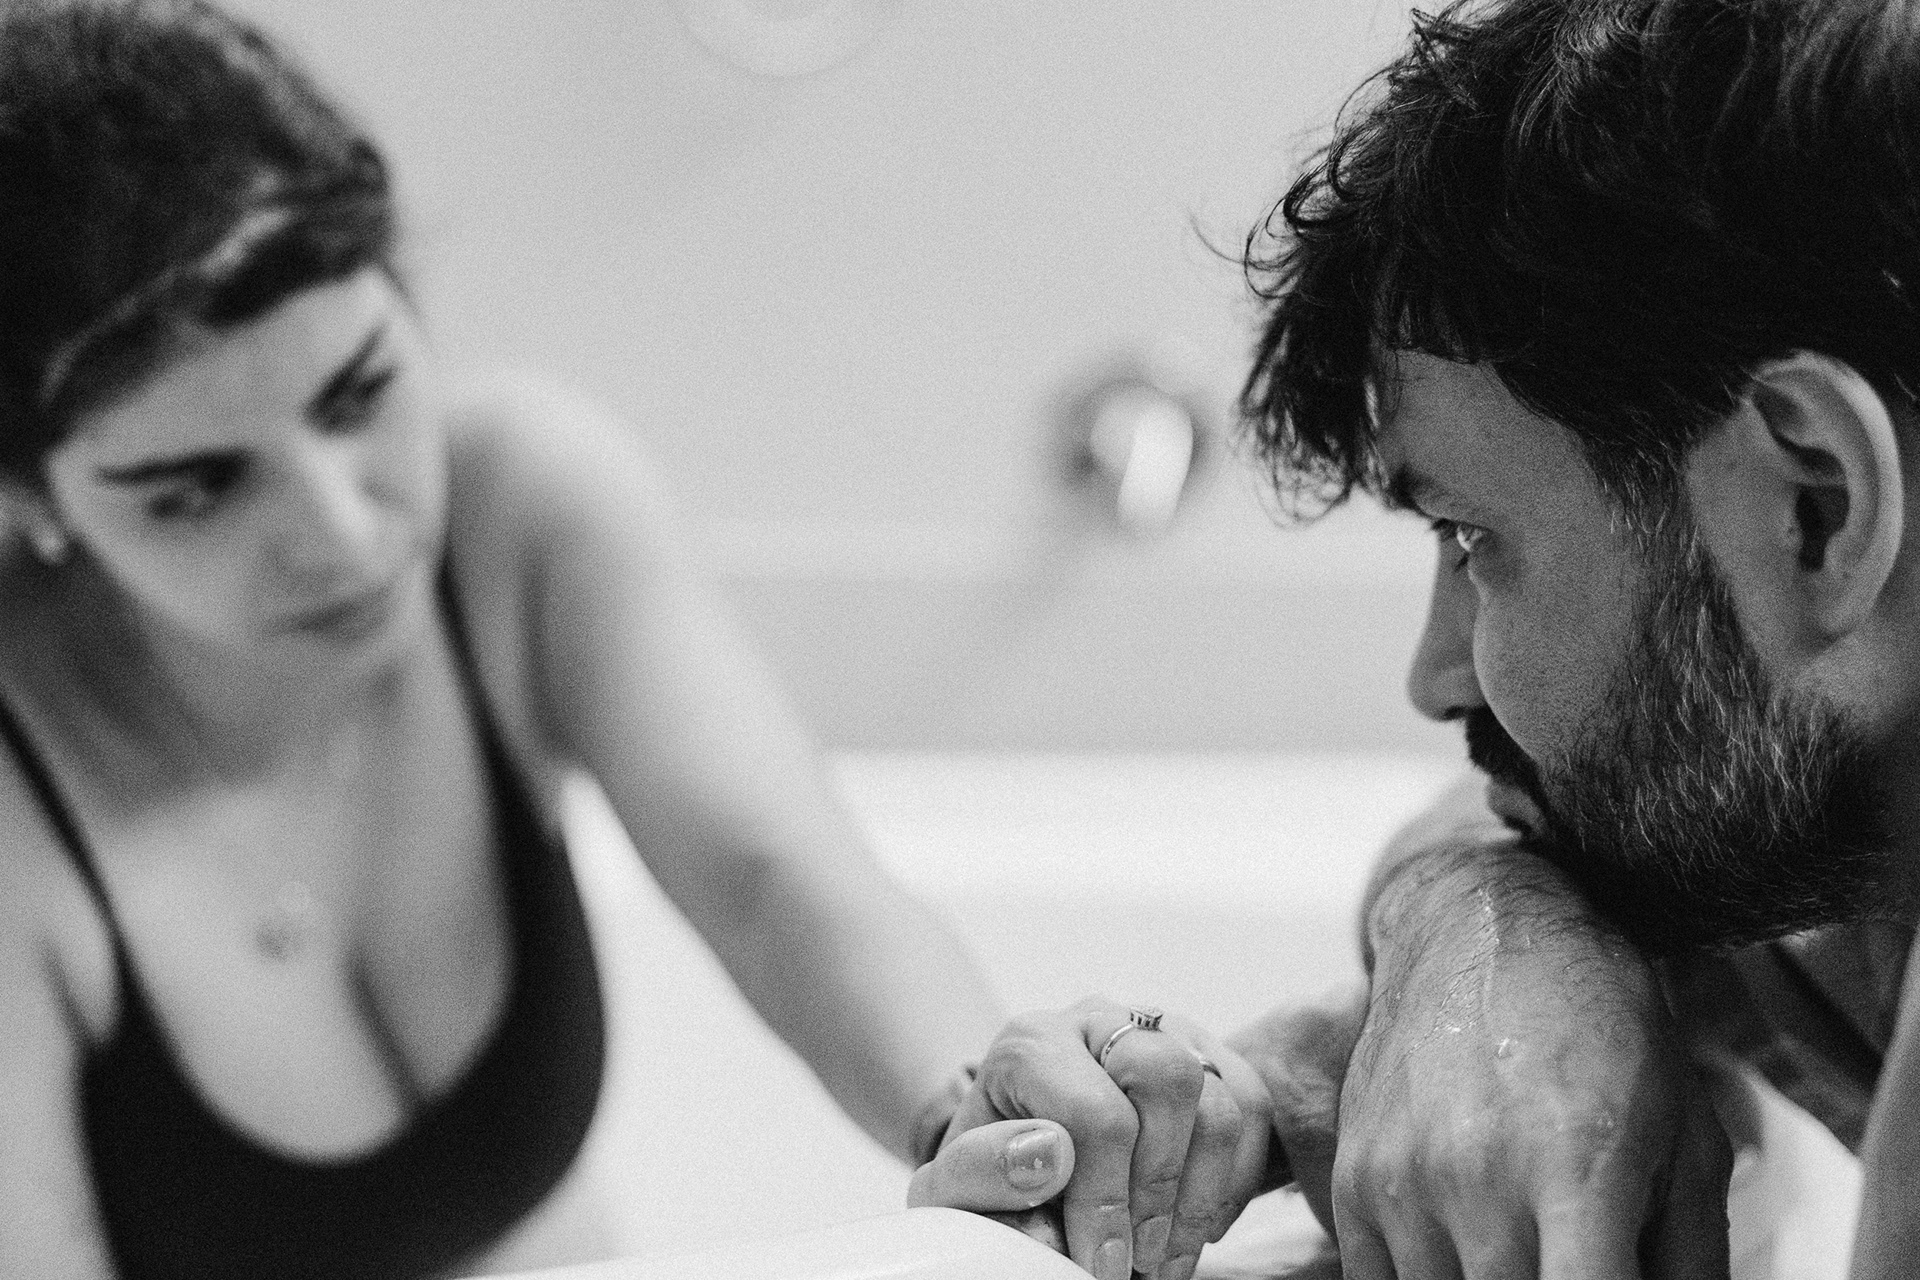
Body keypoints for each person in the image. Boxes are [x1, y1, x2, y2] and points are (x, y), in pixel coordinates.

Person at [0, 3, 1277, 1277]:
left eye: (362, 392)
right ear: (30, 499)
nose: (341, 531)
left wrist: (994, 1124)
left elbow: (774, 879)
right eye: (195, 490)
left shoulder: (519, 511)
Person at [1216, 0, 1920, 1276]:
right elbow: (1481, 822)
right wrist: (1484, 921)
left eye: (1472, 538)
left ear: (1814, 503)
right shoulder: (1854, 839)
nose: (1435, 678)